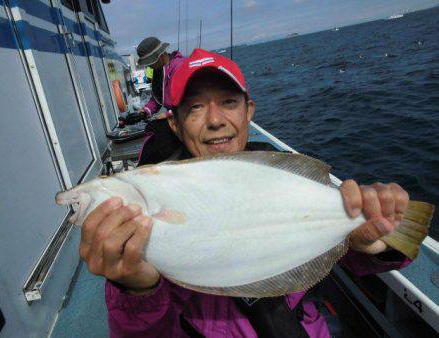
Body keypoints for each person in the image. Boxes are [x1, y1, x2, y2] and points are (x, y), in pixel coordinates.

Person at [80, 49, 411, 337]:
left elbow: (342, 248)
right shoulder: (156, 194)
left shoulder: (286, 177)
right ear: (175, 125)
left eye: (228, 102)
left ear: (248, 111)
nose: (215, 120)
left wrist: (370, 242)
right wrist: (138, 290)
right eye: (195, 107)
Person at [136, 37, 185, 119]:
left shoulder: (180, 67)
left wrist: (168, 114)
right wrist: (145, 111)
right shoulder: (158, 71)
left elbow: (191, 102)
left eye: (151, 61)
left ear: (160, 54)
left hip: (183, 116)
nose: (150, 66)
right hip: (173, 118)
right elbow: (156, 100)